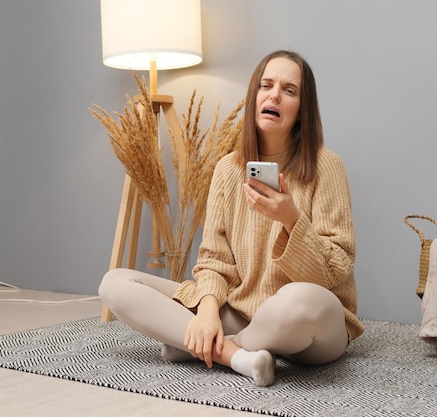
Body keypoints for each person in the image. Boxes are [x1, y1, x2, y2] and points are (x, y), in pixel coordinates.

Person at [99, 50, 364, 387]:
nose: (274, 95)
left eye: (289, 90)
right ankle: (236, 356)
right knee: (116, 283)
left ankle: (202, 346)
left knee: (303, 300)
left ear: (302, 110)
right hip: (240, 314)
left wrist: (291, 219)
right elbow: (214, 259)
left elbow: (332, 272)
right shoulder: (227, 169)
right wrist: (208, 312)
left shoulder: (327, 166)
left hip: (312, 330)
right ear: (254, 96)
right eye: (266, 85)